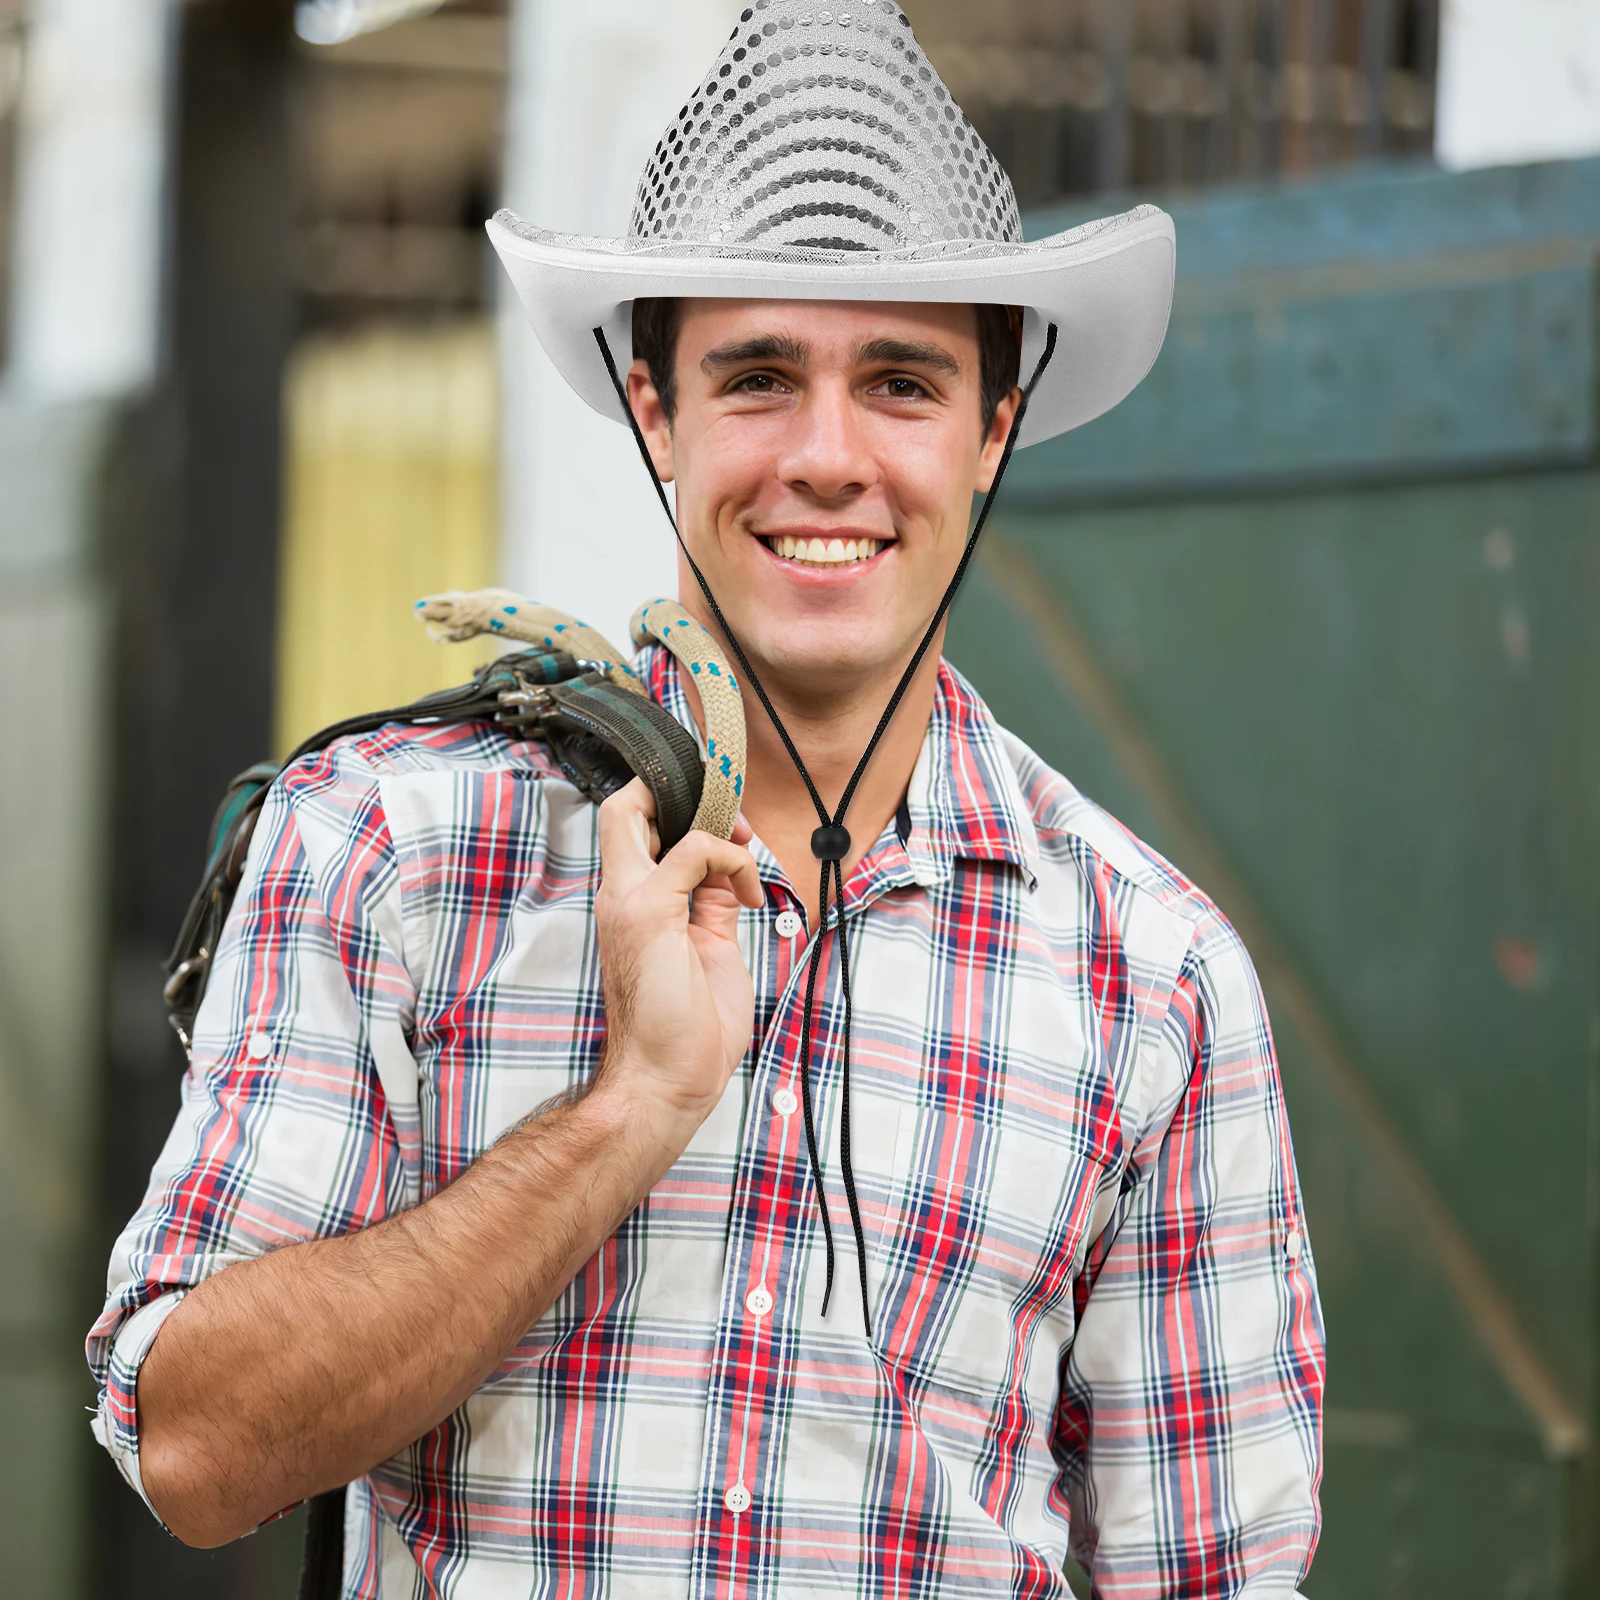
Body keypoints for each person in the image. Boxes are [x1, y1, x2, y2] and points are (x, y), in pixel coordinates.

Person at [89, 3, 1324, 1594]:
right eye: (757, 377)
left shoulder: (1155, 976)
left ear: (994, 428)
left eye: (902, 382)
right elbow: (193, 1452)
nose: (828, 456)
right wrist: (630, 1110)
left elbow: (1217, 1572)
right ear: (655, 412)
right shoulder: (385, 846)